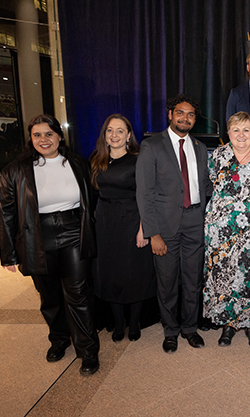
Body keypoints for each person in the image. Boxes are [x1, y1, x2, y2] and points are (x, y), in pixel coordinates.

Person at [0, 114, 100, 375]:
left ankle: (88, 351)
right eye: (37, 135)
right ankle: (59, 339)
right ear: (30, 139)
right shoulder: (15, 170)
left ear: (59, 136)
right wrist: (9, 253)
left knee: (78, 293)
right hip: (36, 237)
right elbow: (8, 213)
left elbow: (92, 200)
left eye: (49, 134)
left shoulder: (77, 163)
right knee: (50, 295)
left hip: (73, 233)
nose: (43, 139)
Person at [136, 94, 213, 353]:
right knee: (167, 282)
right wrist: (152, 232)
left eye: (191, 115)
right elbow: (144, 193)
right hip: (165, 226)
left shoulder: (201, 149)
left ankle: (190, 328)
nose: (185, 118)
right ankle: (170, 331)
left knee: (193, 281)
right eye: (180, 112)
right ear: (170, 114)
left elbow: (205, 186)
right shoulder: (152, 146)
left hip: (195, 222)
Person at [203, 112, 250, 348]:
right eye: (236, 130)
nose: (241, 135)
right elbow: (213, 184)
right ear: (228, 133)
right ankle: (228, 324)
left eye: (246, 129)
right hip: (222, 230)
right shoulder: (218, 155)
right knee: (225, 275)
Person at [89, 114, 157, 342]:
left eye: (120, 130)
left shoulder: (139, 160)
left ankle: (134, 322)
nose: (114, 135)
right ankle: (118, 323)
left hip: (132, 221)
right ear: (104, 135)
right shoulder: (97, 159)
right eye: (110, 130)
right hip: (106, 224)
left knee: (134, 273)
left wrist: (143, 229)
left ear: (128, 135)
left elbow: (146, 197)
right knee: (110, 273)